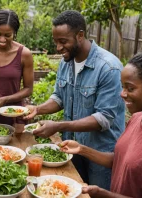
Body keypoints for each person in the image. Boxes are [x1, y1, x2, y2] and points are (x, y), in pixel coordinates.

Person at [24, 10, 125, 190]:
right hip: (72, 147)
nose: (58, 47)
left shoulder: (109, 67)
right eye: (56, 41)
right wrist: (38, 109)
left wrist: (59, 126)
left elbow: (103, 118)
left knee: (96, 194)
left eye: (63, 41)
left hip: (100, 153)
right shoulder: (66, 62)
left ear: (80, 36)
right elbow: (59, 97)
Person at [60, 50, 142, 198]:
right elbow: (122, 161)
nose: (122, 93)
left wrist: (103, 194)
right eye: (122, 86)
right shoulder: (137, 118)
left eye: (130, 88)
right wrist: (82, 149)